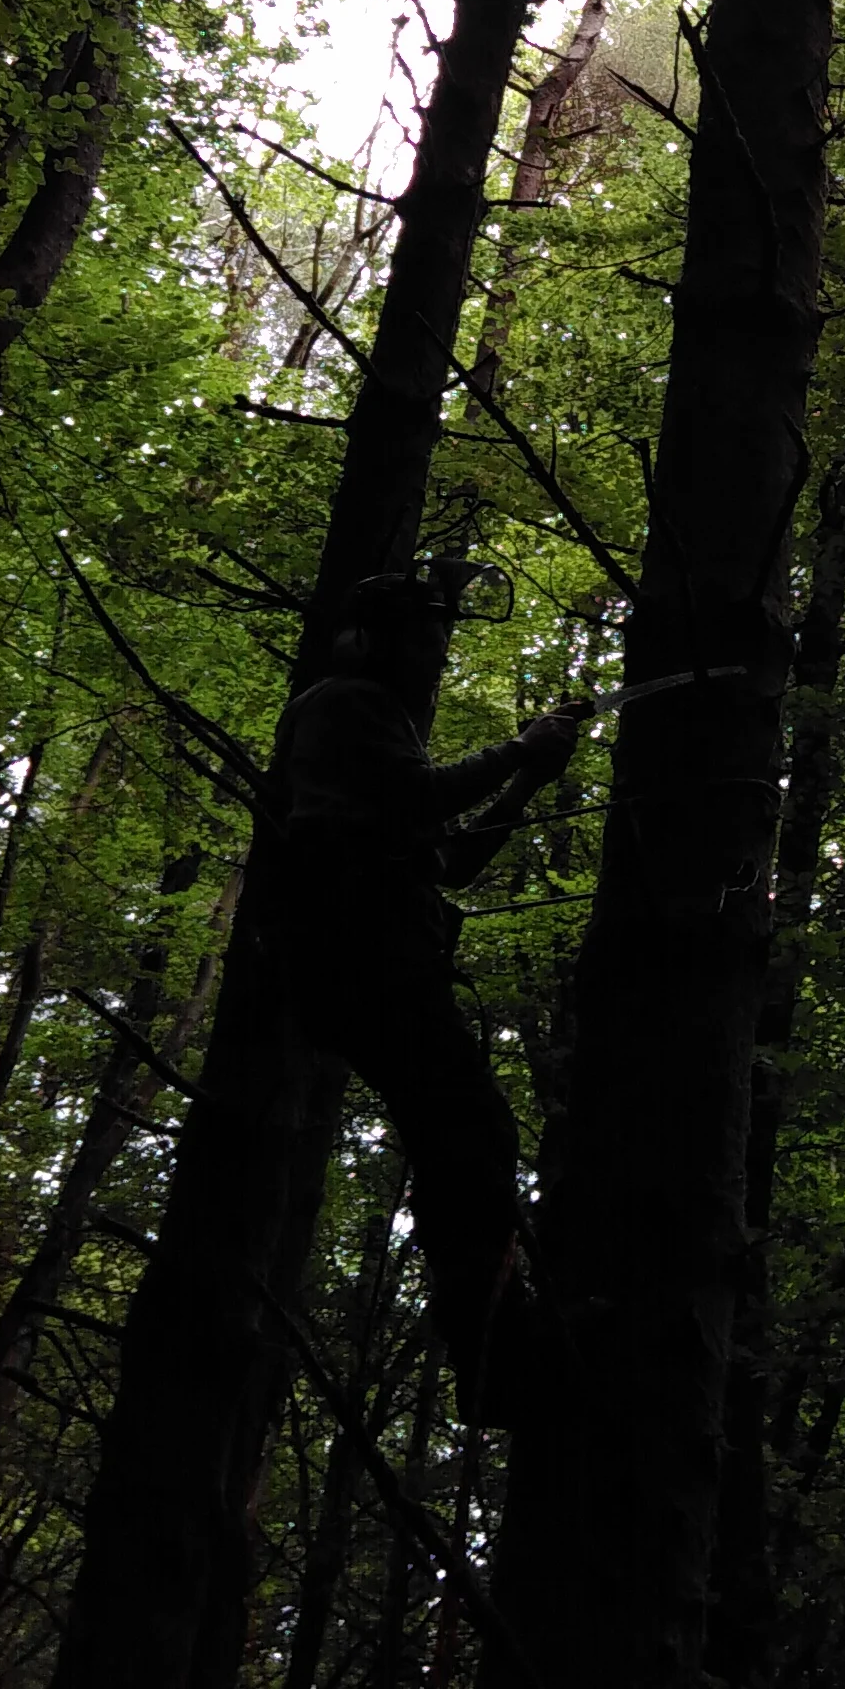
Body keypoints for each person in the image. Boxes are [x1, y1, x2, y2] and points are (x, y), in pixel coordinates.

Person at [268, 569, 587, 1422]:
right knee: (471, 1127)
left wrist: (528, 778)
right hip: (363, 960)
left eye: (434, 642)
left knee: (466, 1131)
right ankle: (493, 1348)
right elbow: (418, 800)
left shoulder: (379, 723)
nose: (429, 658)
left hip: (374, 964)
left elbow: (451, 861)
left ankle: (490, 1341)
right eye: (418, 639)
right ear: (370, 639)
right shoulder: (345, 704)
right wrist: (520, 749)